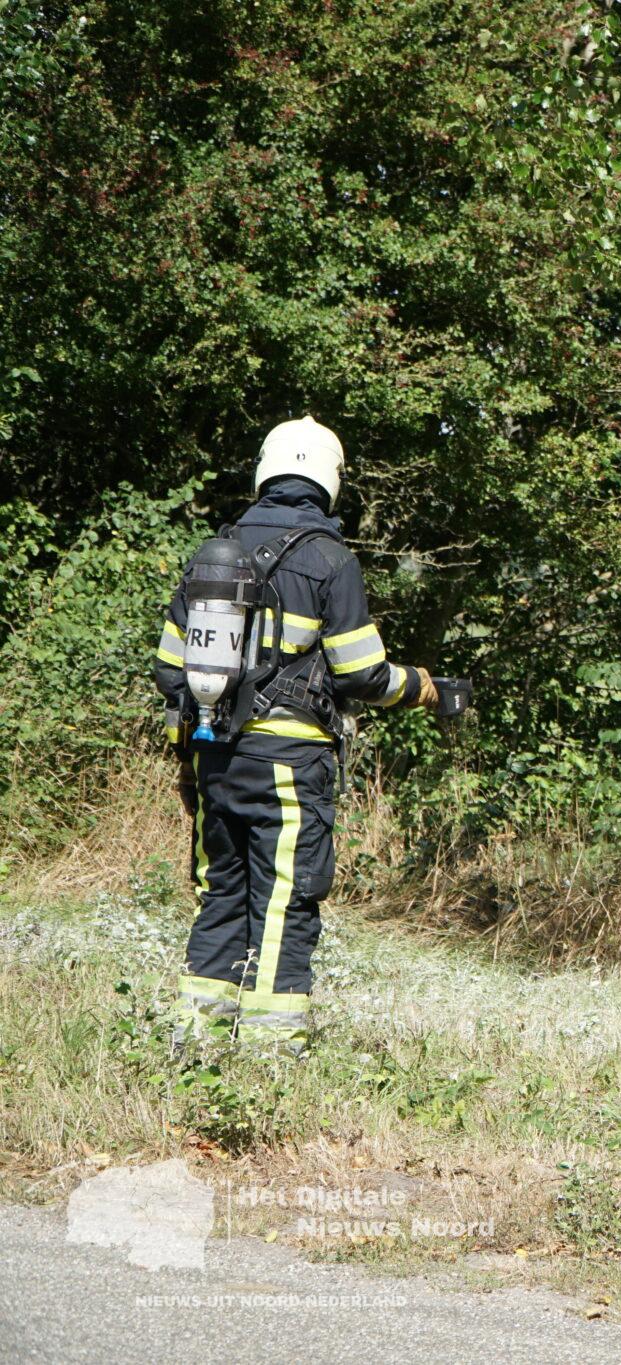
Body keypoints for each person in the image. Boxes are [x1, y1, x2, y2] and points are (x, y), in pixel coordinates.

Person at [151, 416, 439, 1054]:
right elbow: (362, 673)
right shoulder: (330, 559)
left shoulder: (213, 554)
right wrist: (420, 685)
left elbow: (170, 670)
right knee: (286, 897)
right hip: (289, 764)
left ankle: (197, 1041)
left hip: (213, 756)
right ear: (328, 479)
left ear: (266, 468)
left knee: (221, 889)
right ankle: (271, 1052)